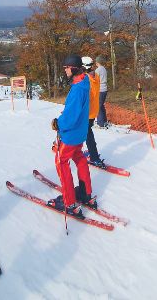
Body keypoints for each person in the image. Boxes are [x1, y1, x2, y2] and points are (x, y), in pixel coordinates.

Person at [47, 54, 96, 217]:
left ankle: (69, 203)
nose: (65, 70)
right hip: (80, 133)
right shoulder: (83, 82)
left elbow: (71, 116)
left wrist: (58, 123)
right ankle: (85, 193)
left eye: (67, 67)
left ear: (74, 69)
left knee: (61, 162)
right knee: (80, 158)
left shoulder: (77, 90)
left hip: (71, 135)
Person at [82, 56, 106, 168]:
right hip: (93, 111)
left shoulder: (86, 79)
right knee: (87, 133)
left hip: (86, 112)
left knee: (84, 133)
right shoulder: (95, 75)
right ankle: (94, 155)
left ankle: (94, 156)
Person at [94, 55, 110, 128]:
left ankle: (100, 123)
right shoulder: (104, 69)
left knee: (98, 106)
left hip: (100, 89)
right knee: (101, 106)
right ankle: (104, 121)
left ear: (97, 62)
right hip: (104, 89)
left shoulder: (98, 70)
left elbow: (95, 80)